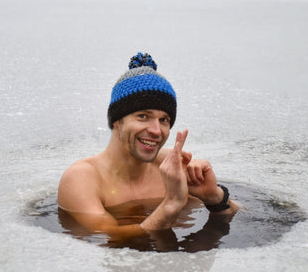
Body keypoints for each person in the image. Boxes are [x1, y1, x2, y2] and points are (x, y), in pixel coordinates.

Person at [57, 52, 238, 243]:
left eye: (164, 120)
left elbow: (241, 214)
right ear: (118, 120)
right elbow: (109, 235)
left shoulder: (171, 167)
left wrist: (214, 197)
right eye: (143, 116)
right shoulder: (82, 178)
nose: (156, 130)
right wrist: (171, 204)